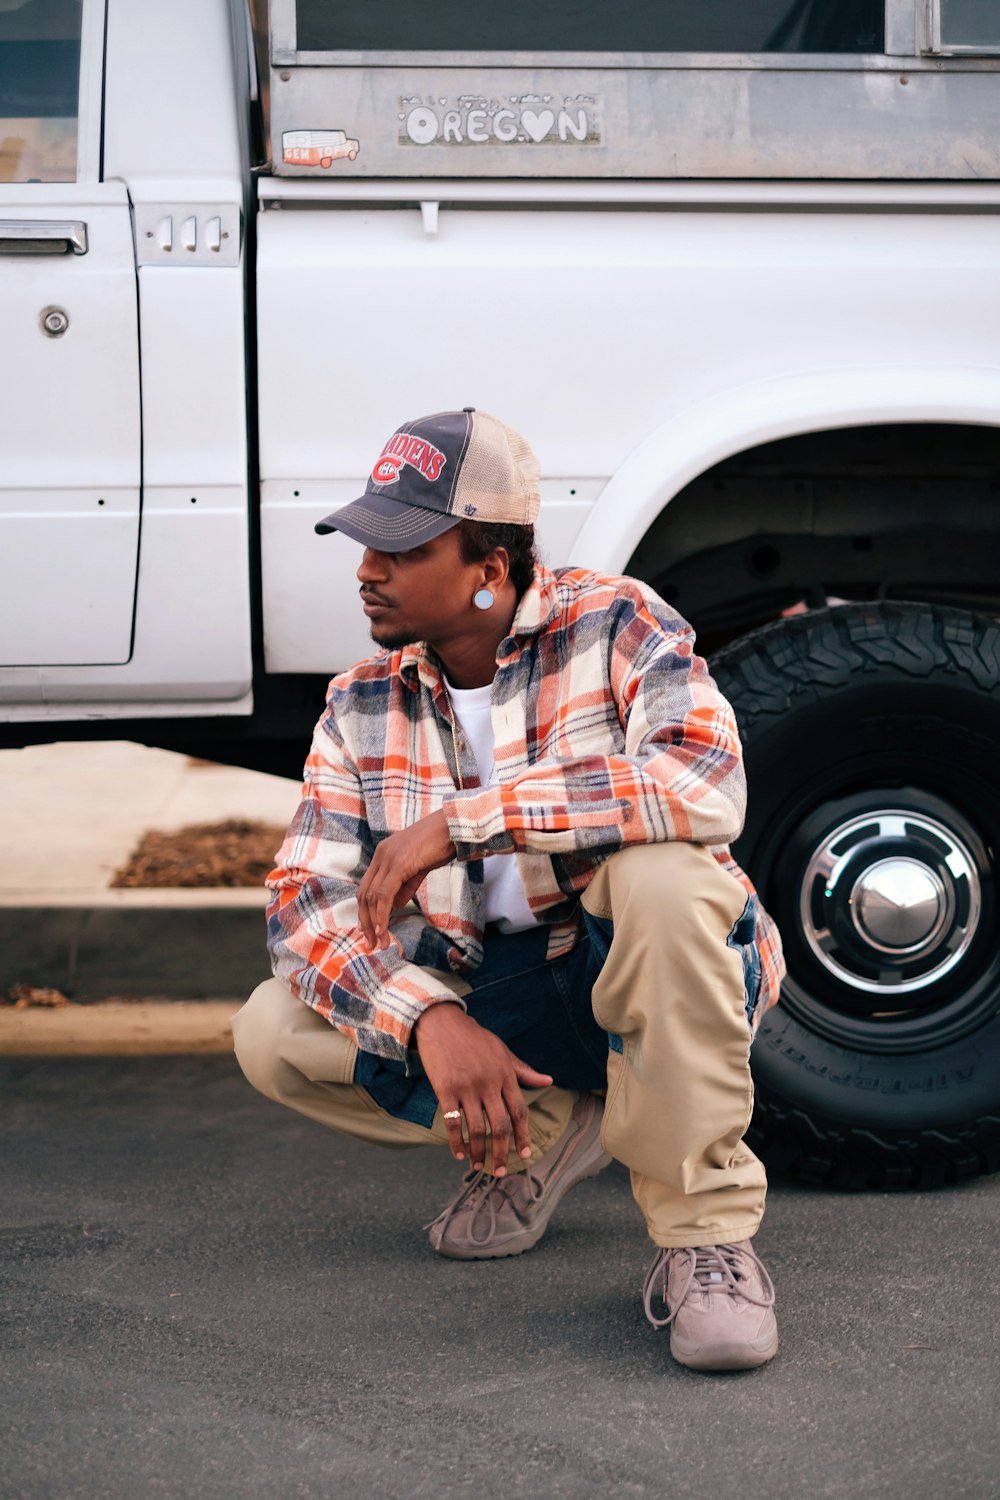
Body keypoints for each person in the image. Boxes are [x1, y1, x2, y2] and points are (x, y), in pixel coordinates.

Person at [232, 407, 786, 1372]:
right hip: (501, 987)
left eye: (401, 549)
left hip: (643, 970)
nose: (367, 570)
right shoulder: (362, 701)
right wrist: (426, 1022)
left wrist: (464, 821)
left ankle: (706, 1240)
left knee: (661, 876)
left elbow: (703, 779)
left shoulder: (617, 623)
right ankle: (542, 1132)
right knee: (272, 1031)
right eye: (365, 544)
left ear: (489, 566)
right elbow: (300, 903)